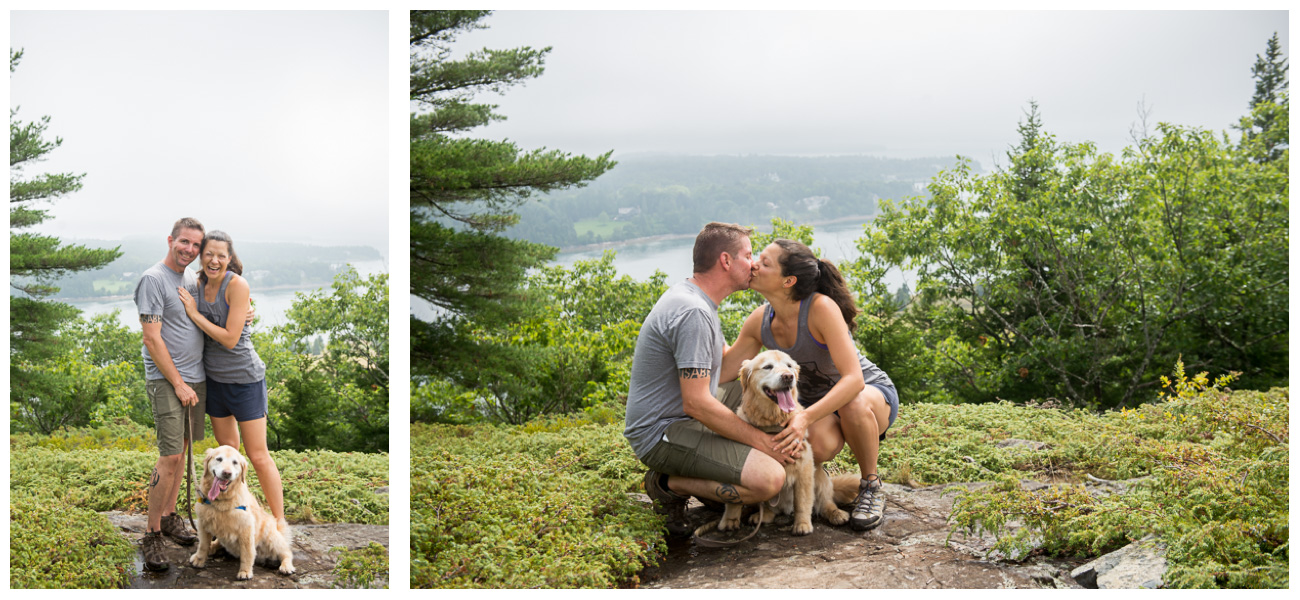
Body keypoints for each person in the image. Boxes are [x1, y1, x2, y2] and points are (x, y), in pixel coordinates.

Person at [624, 222, 796, 536]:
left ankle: (723, 478)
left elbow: (726, 372)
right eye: (747, 255)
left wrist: (764, 323)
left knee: (763, 388)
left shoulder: (698, 299)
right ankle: (666, 483)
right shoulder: (693, 312)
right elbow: (697, 403)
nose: (754, 263)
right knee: (769, 479)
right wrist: (765, 445)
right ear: (726, 261)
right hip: (662, 431)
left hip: (684, 417)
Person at [721, 238, 899, 531]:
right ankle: (819, 490)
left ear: (788, 280)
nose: (753, 265)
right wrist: (706, 323)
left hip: (869, 395)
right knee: (807, 446)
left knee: (852, 403)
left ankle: (871, 486)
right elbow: (727, 370)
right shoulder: (759, 322)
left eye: (764, 263)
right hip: (822, 408)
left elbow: (853, 379)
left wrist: (802, 417)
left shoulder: (820, 308)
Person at [177, 230, 285, 524]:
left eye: (221, 256)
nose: (214, 260)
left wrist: (194, 313)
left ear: (229, 258)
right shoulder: (196, 284)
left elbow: (230, 339)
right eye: (209, 254)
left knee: (258, 456)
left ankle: (278, 523)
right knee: (230, 459)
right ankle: (242, 519)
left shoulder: (236, 285)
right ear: (201, 256)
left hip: (245, 380)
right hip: (215, 382)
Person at [133, 217, 207, 571]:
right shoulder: (153, 279)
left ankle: (169, 516)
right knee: (170, 455)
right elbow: (152, 337)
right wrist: (177, 382)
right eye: (184, 243)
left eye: (195, 245)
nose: (190, 250)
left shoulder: (190, 278)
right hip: (169, 381)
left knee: (185, 452)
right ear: (170, 240)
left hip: (196, 379)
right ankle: (151, 534)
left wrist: (247, 313)